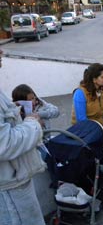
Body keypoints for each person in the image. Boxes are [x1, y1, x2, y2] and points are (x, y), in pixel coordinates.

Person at [0, 49, 46, 225]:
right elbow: (4, 143)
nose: (2, 50)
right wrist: (32, 123)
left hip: (15, 185)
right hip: (10, 191)